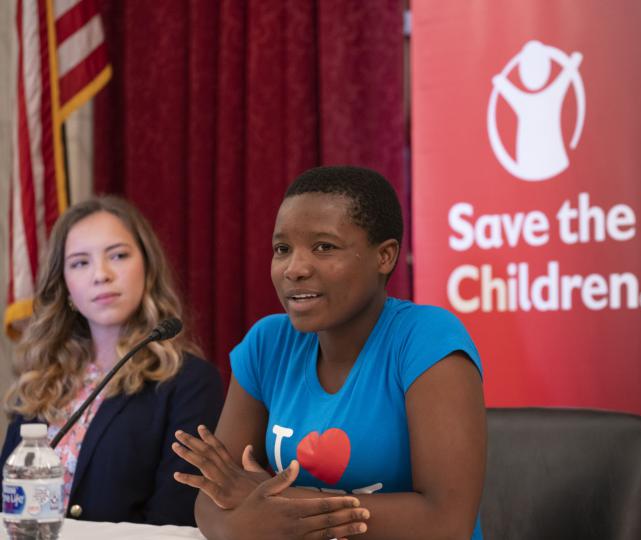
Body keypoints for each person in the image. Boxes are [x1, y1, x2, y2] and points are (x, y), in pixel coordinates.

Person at [172, 165, 487, 540]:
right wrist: (246, 519)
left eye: (324, 247)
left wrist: (277, 500)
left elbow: (444, 523)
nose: (295, 268)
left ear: (384, 256)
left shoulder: (426, 338)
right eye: (282, 249)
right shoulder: (267, 343)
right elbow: (212, 500)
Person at [0, 196, 223, 526]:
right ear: (65, 287)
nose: (101, 275)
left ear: (147, 268)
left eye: (118, 255)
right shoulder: (40, 383)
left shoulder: (190, 383)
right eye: (80, 263)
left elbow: (175, 519)